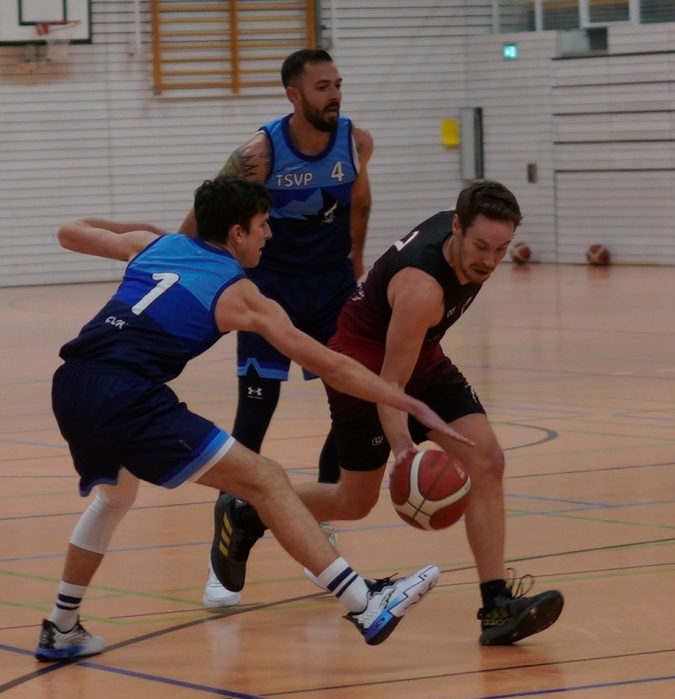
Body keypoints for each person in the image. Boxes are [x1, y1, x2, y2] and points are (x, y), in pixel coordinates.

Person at [35, 178, 468, 662]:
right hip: (126, 395)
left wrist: (145, 233)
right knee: (267, 479)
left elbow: (69, 231)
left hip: (72, 383)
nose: (268, 236)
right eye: (263, 226)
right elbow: (330, 364)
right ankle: (364, 604)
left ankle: (62, 626)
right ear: (237, 233)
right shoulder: (240, 293)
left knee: (115, 498)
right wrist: (404, 399)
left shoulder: (154, 246)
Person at [204, 180, 566, 646]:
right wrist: (404, 451)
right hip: (362, 369)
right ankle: (249, 512)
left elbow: (411, 360)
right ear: (456, 227)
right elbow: (389, 385)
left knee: (488, 460)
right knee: (354, 502)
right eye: (481, 247)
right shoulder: (422, 289)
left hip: (422, 355)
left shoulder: (463, 241)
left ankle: (496, 606)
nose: (490, 261)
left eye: (501, 249)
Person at [178, 48, 372, 607]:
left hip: (333, 289)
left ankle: (321, 523)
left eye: (337, 84)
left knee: (352, 403)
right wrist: (181, 263)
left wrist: (358, 268)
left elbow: (359, 202)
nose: (333, 95)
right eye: (321, 87)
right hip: (271, 293)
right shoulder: (258, 154)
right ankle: (225, 544)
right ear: (293, 95)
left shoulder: (357, 142)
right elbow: (208, 212)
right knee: (253, 425)